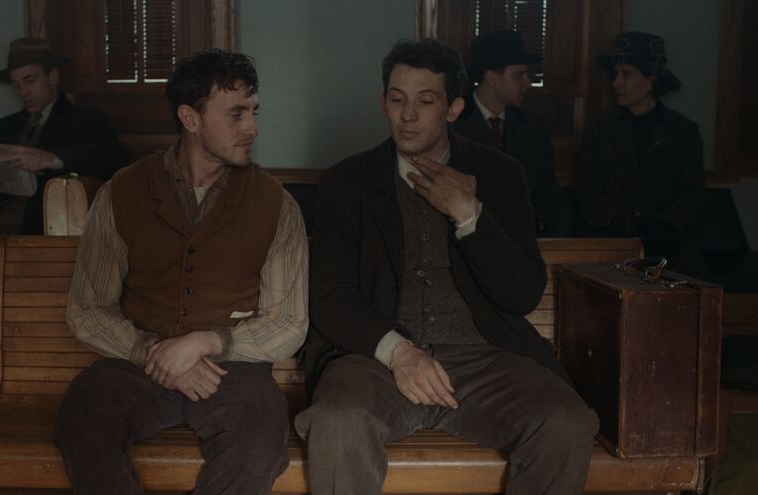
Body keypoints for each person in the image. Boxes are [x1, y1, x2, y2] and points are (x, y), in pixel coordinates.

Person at [295, 39, 598, 495]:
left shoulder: (500, 174)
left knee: (568, 422)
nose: (408, 115)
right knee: (337, 422)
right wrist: (398, 352)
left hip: (486, 359)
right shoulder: (347, 182)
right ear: (383, 103)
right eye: (397, 100)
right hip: (374, 361)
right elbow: (330, 298)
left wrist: (470, 217)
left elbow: (522, 293)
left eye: (425, 100)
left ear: (454, 108)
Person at [54, 49, 308, 495]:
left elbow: (289, 323)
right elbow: (88, 309)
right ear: (190, 118)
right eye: (236, 114)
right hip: (135, 365)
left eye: (253, 111)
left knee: (260, 447)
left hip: (235, 371)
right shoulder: (121, 192)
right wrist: (153, 351)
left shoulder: (277, 204)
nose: (252, 127)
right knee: (82, 417)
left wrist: (209, 342)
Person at [0, 37, 128, 425]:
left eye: (30, 81)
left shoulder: (84, 120)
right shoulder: (6, 126)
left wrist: (49, 159)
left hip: (35, 228)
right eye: (17, 85)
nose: (23, 92)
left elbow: (114, 159)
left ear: (53, 76)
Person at [576, 31, 705, 276]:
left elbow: (694, 194)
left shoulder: (684, 132)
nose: (616, 83)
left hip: (669, 248)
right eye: (615, 74)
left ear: (651, 79)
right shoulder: (600, 129)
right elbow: (586, 188)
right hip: (609, 244)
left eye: (626, 74)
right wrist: (615, 221)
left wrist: (664, 225)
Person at [451, 30, 570, 236]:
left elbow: (548, 192)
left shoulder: (533, 129)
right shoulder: (454, 125)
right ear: (491, 78)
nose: (527, 82)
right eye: (519, 75)